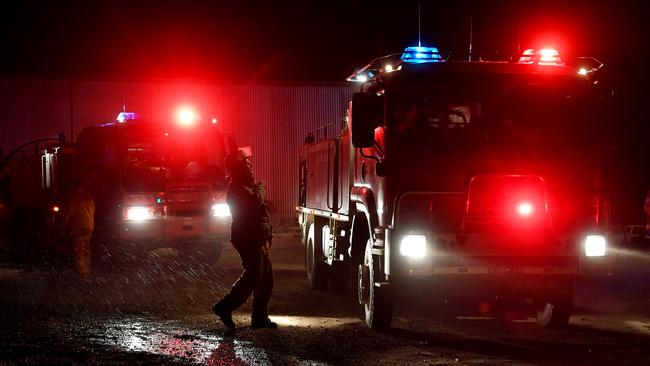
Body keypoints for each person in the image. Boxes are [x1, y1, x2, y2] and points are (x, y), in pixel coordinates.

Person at [212, 149, 276, 330]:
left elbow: (261, 213)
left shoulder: (246, 185)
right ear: (237, 168)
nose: (250, 167)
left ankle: (259, 318)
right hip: (248, 237)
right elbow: (254, 202)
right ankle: (224, 307)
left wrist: (267, 234)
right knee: (254, 275)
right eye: (246, 164)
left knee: (266, 279)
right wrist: (262, 188)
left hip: (258, 236)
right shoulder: (237, 188)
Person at [59, 175, 95, 281]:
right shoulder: (88, 196)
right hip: (89, 226)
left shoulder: (72, 196)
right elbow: (93, 210)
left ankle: (82, 275)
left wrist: (62, 226)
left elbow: (67, 213)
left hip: (77, 227)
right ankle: (87, 271)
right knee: (86, 249)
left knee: (78, 251)